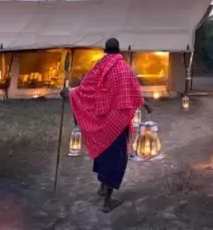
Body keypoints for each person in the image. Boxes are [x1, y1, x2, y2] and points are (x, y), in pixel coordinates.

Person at [60, 38, 150, 212]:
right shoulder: (123, 69)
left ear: (105, 50)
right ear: (119, 50)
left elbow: (85, 89)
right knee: (116, 159)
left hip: (101, 122)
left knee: (103, 154)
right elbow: (132, 91)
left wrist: (69, 94)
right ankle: (107, 202)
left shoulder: (97, 67)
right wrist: (144, 103)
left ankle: (102, 188)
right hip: (116, 122)